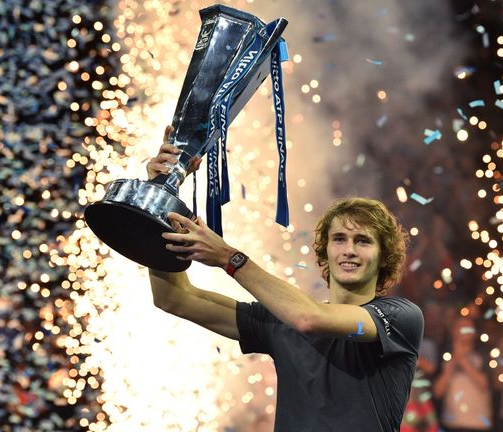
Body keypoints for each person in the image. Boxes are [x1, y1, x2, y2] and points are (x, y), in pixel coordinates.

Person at [146, 126, 424, 431]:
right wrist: (158, 197)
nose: (349, 250)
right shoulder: (280, 320)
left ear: (385, 256)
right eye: (340, 239)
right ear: (325, 251)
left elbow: (308, 318)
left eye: (363, 241)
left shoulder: (400, 317)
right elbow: (174, 298)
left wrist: (230, 258)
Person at [433, 315, 492, 432]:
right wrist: (453, 360)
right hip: (450, 424)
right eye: (460, 327)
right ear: (453, 331)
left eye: (468, 328)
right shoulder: (444, 356)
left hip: (478, 424)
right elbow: (437, 392)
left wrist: (463, 361)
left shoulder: (483, 355)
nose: (464, 331)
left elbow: (485, 384)